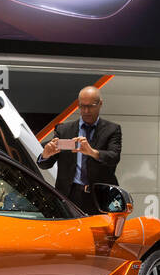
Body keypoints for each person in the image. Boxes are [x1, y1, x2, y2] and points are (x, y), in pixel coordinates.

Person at [37, 86, 122, 214]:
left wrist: (92, 152)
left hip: (100, 196)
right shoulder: (63, 130)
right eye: (82, 106)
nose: (86, 111)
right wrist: (45, 155)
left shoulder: (112, 129)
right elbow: (45, 164)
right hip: (69, 194)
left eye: (91, 106)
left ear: (100, 104)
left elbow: (114, 157)